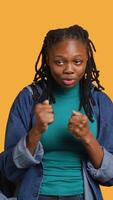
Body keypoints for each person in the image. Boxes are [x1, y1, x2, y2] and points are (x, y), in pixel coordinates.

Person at [0, 24, 113, 200]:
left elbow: (110, 175)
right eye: (59, 61)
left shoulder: (100, 102)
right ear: (48, 59)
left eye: (77, 62)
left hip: (83, 195)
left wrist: (87, 137)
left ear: (87, 60)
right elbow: (9, 170)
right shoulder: (28, 98)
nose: (68, 69)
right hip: (34, 195)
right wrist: (36, 131)